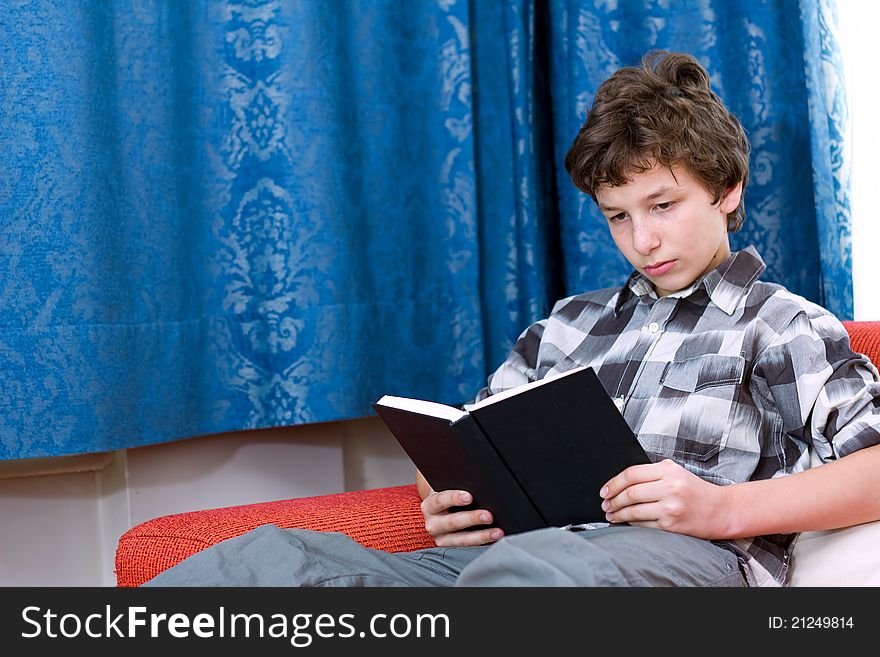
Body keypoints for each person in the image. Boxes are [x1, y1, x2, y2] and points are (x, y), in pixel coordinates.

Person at [144, 50, 880, 588]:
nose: (642, 240)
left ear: (726, 191)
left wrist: (722, 508)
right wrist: (451, 498)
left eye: (663, 205)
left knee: (537, 572)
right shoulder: (567, 326)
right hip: (507, 556)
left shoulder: (778, 323)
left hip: (682, 563)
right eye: (617, 217)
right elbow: (481, 441)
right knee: (262, 564)